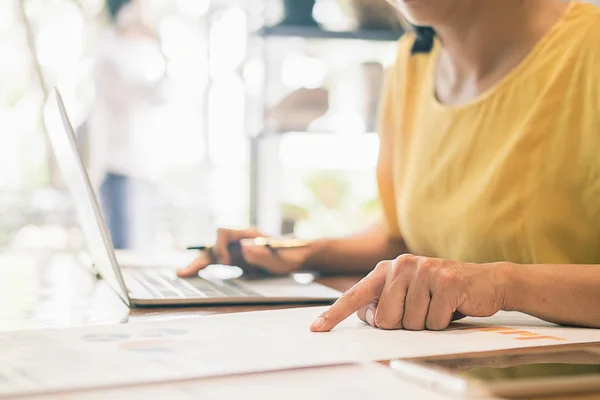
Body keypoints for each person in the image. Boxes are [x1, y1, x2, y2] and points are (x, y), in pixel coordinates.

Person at [179, 0, 600, 331]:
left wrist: (501, 284)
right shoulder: (413, 62)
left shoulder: (590, 50)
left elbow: (466, 267)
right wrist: (300, 252)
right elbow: (406, 238)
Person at [87, 0, 168, 250]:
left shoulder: (138, 54)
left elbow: (165, 93)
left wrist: (160, 46)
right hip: (119, 172)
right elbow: (151, 94)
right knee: (125, 255)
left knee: (137, 254)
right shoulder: (108, 56)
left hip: (141, 174)